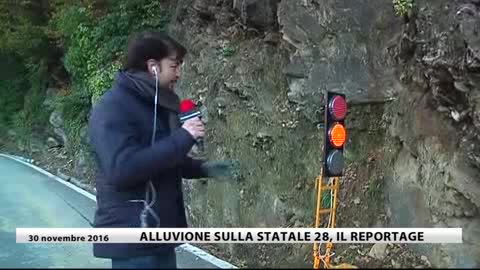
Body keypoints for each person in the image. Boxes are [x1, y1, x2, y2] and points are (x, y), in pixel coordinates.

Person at [87, 31, 236, 269]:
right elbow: (122, 169)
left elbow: (161, 158)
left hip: (159, 235)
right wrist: (185, 136)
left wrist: (204, 168)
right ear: (153, 66)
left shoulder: (156, 104)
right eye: (174, 66)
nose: (178, 74)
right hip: (133, 239)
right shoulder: (113, 108)